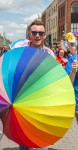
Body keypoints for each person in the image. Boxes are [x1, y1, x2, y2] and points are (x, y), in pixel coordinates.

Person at [19, 20, 54, 150]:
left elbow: (52, 76)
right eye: (34, 32)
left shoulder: (49, 54)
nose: (37, 35)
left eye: (41, 33)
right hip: (23, 101)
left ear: (45, 35)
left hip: (42, 102)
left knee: (41, 140)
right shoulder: (20, 51)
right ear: (30, 34)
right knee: (23, 140)